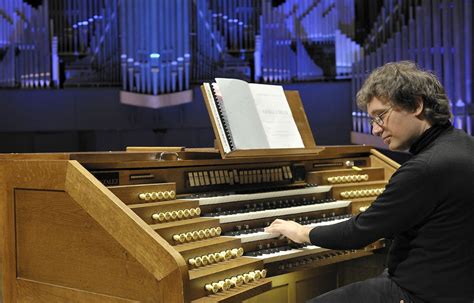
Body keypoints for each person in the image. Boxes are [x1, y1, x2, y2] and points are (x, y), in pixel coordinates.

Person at [265, 61, 474, 303]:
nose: (375, 130)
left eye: (380, 116)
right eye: (371, 120)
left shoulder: (424, 168)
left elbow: (358, 233)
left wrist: (301, 231)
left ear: (417, 105)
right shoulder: (464, 145)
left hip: (416, 294)